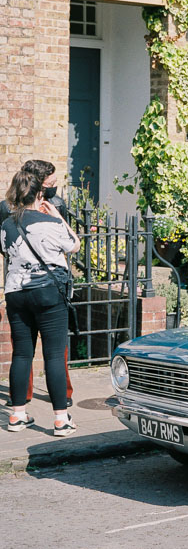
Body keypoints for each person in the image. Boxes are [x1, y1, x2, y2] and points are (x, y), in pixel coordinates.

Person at [1, 171, 80, 435]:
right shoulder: (49, 223)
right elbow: (74, 246)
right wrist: (57, 216)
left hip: (16, 293)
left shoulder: (5, 224)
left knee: (22, 354)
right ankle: (60, 420)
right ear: (38, 194)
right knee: (54, 355)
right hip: (48, 294)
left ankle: (17, 415)